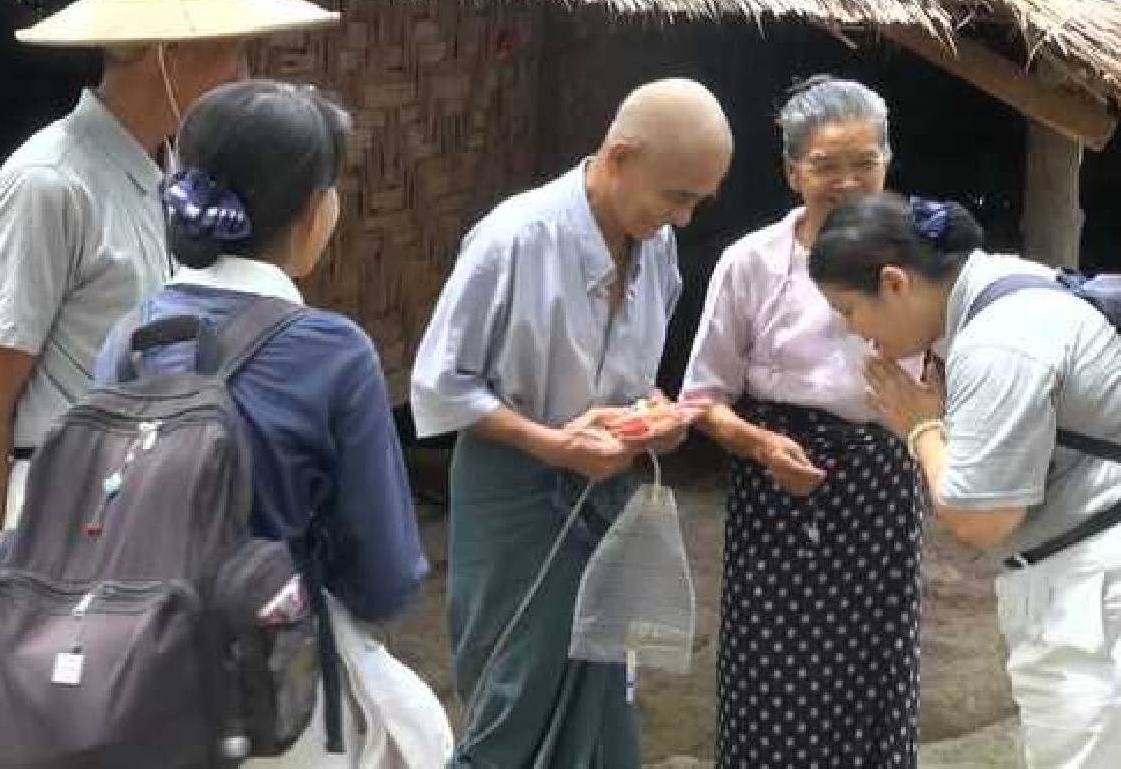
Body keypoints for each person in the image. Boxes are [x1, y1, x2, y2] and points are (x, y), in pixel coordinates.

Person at [0, 0, 338, 663]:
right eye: (232, 53)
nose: (243, 73)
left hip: (156, 512)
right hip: (64, 515)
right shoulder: (50, 182)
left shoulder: (175, 175)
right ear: (169, 53)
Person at [93, 80, 432, 766]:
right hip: (279, 705)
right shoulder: (333, 353)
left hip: (138, 689)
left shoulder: (129, 335)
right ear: (314, 210)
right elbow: (384, 578)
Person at [410, 77, 732, 767]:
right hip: (517, 494)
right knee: (513, 695)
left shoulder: (658, 244)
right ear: (619, 156)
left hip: (605, 491)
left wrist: (656, 415)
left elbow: (632, 373)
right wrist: (551, 444)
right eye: (676, 196)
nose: (683, 220)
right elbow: (440, 382)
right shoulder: (514, 239)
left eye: (698, 202)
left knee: (603, 687)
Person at [809, 191, 1121, 769]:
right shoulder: (1012, 282)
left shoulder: (997, 339)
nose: (857, 333)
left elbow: (979, 518)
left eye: (850, 311)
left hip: (1095, 600)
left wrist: (921, 425)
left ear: (895, 283)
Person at [682, 76, 923, 768]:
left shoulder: (922, 259)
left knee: (874, 671)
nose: (847, 181)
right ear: (793, 172)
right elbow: (703, 397)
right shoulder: (752, 264)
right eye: (826, 165)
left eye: (865, 162)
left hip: (881, 486)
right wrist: (757, 444)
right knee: (770, 674)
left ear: (887, 161)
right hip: (776, 489)